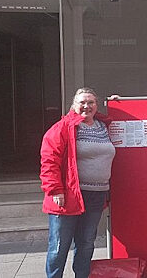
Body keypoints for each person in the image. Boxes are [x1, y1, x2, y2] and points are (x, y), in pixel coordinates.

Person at [40, 87, 115, 278]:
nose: (86, 106)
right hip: (69, 196)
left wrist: (119, 104)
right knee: (59, 246)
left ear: (96, 106)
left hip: (96, 195)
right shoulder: (63, 128)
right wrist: (55, 190)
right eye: (82, 102)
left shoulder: (103, 126)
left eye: (91, 102)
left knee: (86, 243)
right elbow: (49, 160)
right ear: (74, 105)